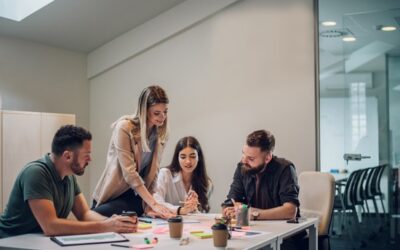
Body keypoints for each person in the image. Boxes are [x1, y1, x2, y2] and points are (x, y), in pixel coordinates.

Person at [0, 125, 137, 238]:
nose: (90, 160)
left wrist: (115, 223)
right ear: (68, 156)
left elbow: (84, 214)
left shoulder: (69, 176)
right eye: (87, 155)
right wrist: (105, 226)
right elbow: (51, 226)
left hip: (36, 240)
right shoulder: (36, 173)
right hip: (12, 241)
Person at [92, 85, 174, 218]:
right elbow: (130, 174)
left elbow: (154, 173)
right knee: (90, 222)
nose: (162, 117)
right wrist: (153, 204)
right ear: (144, 111)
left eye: (165, 111)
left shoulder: (160, 134)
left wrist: (150, 205)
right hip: (114, 196)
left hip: (136, 198)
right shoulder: (125, 128)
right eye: (157, 113)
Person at [223, 130, 304, 250]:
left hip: (284, 236)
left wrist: (254, 214)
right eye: (243, 154)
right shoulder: (242, 167)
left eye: (251, 158)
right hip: (255, 232)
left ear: (267, 158)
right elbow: (232, 200)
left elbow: (290, 210)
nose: (244, 160)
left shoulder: (285, 169)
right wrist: (230, 209)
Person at [153, 136, 212, 215]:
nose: (188, 161)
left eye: (192, 156)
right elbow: (156, 202)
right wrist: (181, 210)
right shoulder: (165, 174)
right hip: (166, 223)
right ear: (177, 158)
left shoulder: (206, 182)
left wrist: (193, 207)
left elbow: (201, 214)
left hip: (191, 225)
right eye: (183, 157)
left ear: (199, 158)